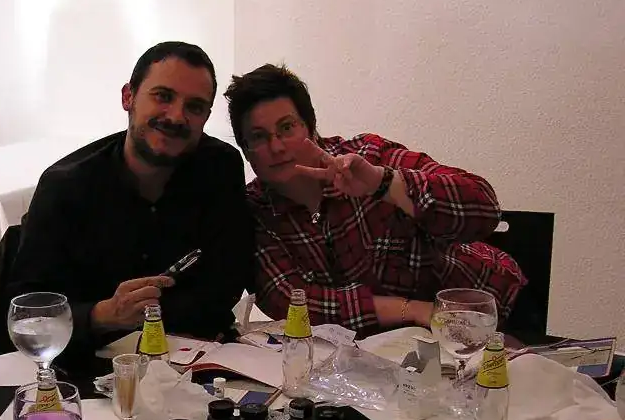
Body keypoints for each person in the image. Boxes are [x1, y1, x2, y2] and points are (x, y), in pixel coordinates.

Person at [223, 63, 525, 333]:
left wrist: (385, 184)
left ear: (311, 128)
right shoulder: (255, 210)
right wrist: (413, 310)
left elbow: (484, 206)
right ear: (246, 151)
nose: (276, 147)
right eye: (258, 136)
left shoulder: (367, 156)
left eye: (287, 127)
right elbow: (288, 301)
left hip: (487, 309)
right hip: (389, 343)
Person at [9, 42, 252, 364]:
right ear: (128, 97)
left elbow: (228, 280)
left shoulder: (220, 167)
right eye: (163, 96)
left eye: (194, 107)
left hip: (199, 357)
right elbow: (29, 312)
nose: (176, 117)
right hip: (90, 365)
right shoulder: (66, 186)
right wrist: (103, 314)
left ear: (206, 117)